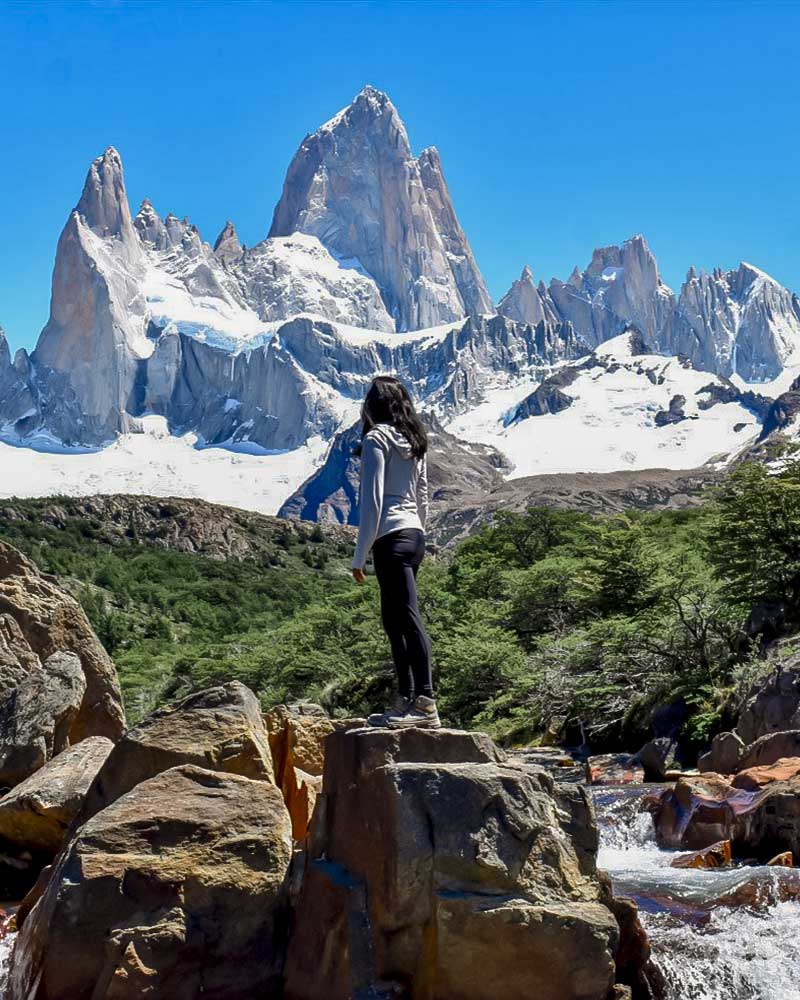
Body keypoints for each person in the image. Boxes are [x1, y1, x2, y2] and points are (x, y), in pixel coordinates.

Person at [351, 375, 440, 729]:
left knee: (404, 618)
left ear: (372, 406)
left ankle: (425, 702)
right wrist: (419, 533)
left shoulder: (376, 439)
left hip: (390, 537)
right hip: (413, 535)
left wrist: (359, 557)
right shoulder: (413, 440)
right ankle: (405, 701)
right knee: (395, 620)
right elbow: (422, 496)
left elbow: (371, 502)